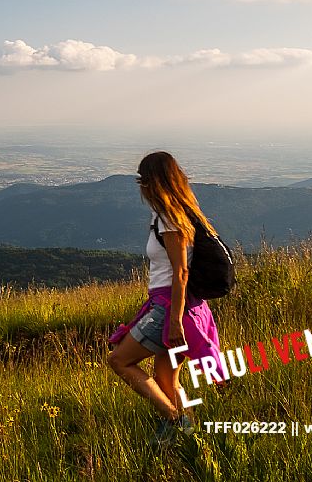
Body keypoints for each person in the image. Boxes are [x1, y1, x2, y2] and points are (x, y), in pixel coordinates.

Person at [106, 150, 225, 444]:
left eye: (143, 180)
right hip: (182, 305)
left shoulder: (169, 219)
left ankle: (174, 420)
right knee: (165, 376)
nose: (141, 187)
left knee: (119, 361)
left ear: (153, 182)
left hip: (172, 307)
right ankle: (187, 435)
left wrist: (173, 322)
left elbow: (180, 271)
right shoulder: (177, 213)